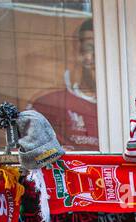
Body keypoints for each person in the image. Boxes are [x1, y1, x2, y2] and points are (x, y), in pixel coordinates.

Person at [30, 19, 99, 149]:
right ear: (77, 53)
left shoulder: (126, 109)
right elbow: (27, 152)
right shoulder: (49, 104)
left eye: (106, 50)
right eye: (89, 48)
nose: (97, 57)